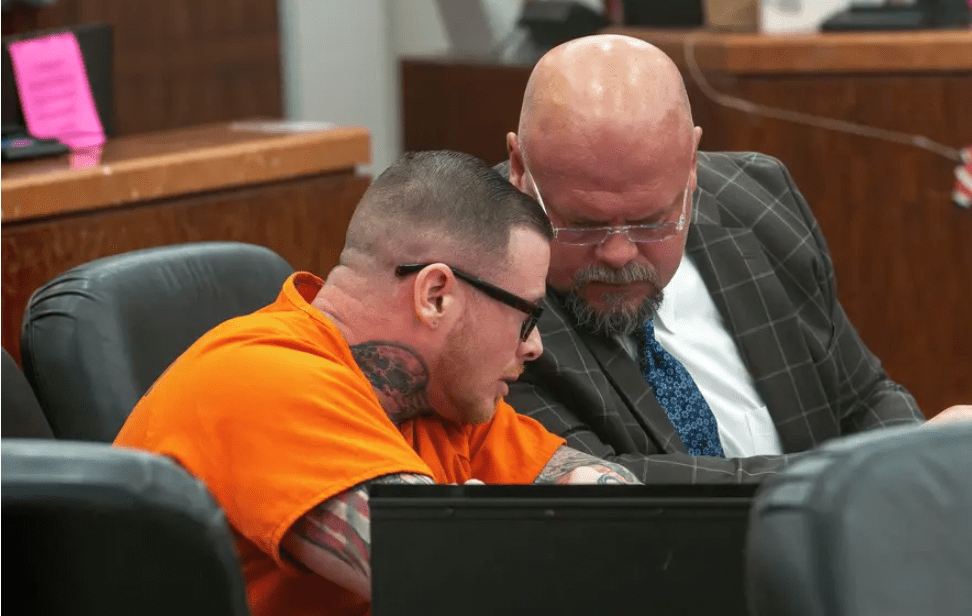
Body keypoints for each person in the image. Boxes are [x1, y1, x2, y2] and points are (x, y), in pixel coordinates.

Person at [114, 151, 640, 616]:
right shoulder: (267, 377)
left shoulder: (440, 399)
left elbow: (618, 510)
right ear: (435, 295)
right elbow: (450, 576)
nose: (534, 346)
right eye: (527, 316)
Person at [500, 34, 963, 484]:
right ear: (520, 169)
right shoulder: (484, 286)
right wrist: (870, 473)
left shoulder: (757, 198)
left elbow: (861, 398)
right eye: (582, 225)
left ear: (692, 165)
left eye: (651, 222)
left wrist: (924, 459)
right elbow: (614, 484)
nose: (619, 254)